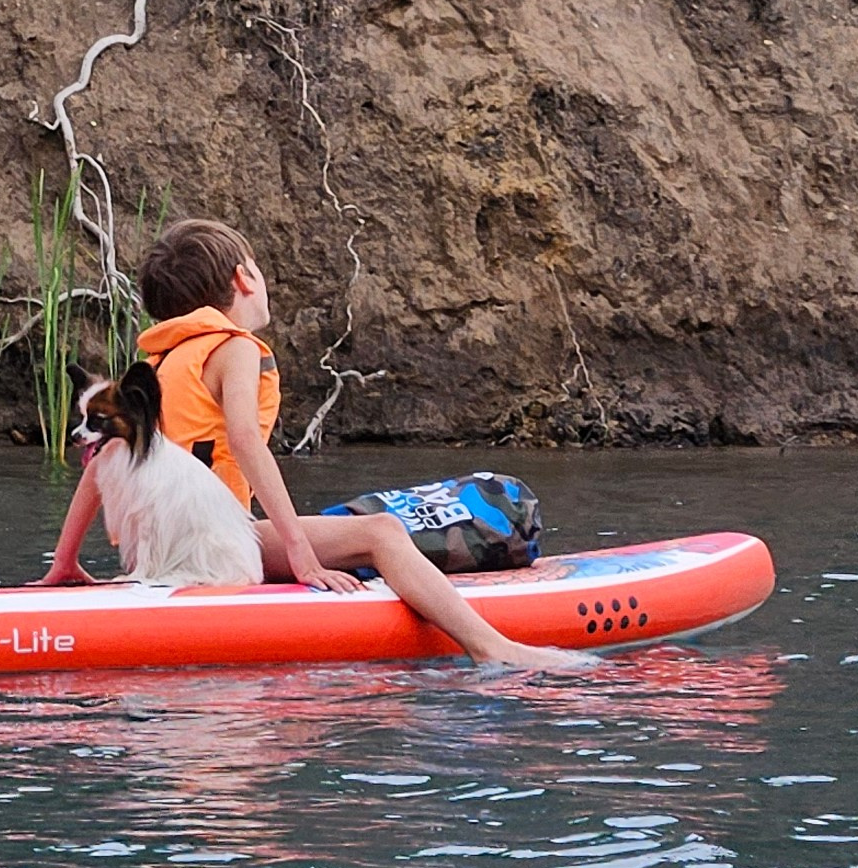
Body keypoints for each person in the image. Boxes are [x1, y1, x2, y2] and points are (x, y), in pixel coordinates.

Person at [40, 216, 572, 672]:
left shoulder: (152, 369)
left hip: (166, 554)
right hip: (223, 543)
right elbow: (247, 442)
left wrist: (64, 562)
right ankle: (492, 647)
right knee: (383, 531)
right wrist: (299, 555)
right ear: (243, 278)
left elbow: (98, 465)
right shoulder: (234, 348)